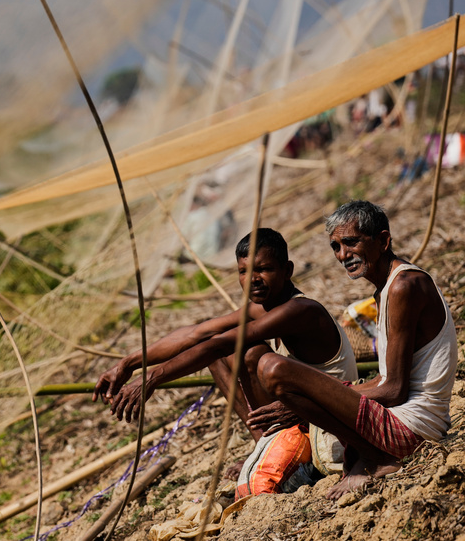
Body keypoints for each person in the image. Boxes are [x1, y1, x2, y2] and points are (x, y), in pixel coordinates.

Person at [248, 200, 457, 499]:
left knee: (274, 368)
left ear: (383, 241)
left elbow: (394, 389)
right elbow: (388, 382)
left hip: (413, 430)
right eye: (335, 247)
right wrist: (315, 397)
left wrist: (308, 398)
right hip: (407, 421)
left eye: (350, 242)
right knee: (277, 372)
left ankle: (375, 457)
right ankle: (369, 455)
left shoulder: (403, 286)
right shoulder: (386, 289)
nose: (343, 255)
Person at [94, 228, 357, 443]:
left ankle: (275, 446)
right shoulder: (259, 309)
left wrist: (151, 378)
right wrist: (127, 363)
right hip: (297, 412)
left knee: (247, 351)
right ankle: (264, 442)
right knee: (219, 353)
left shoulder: (300, 310)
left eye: (263, 269)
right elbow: (196, 333)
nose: (252, 279)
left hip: (332, 422)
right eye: (243, 271)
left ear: (287, 270)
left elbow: (219, 344)